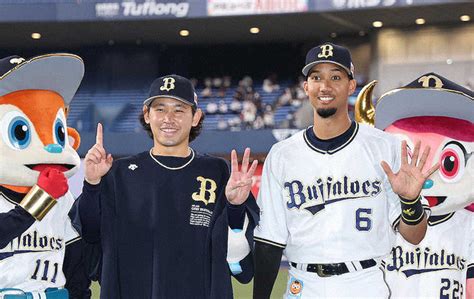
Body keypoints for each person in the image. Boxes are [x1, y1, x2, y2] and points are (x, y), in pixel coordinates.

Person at [252, 42, 438, 298]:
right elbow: (269, 242)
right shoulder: (282, 155)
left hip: (364, 282)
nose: (325, 86)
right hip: (303, 285)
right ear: (306, 87)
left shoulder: (386, 147)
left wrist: (410, 200)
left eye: (336, 77)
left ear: (351, 85)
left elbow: (415, 235)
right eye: (316, 77)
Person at [74, 74, 259, 298]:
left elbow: (238, 261)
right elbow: (90, 233)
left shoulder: (218, 172)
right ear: (147, 115)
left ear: (196, 117)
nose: (168, 118)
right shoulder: (118, 173)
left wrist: (235, 208)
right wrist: (92, 184)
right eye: (160, 109)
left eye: (179, 110)